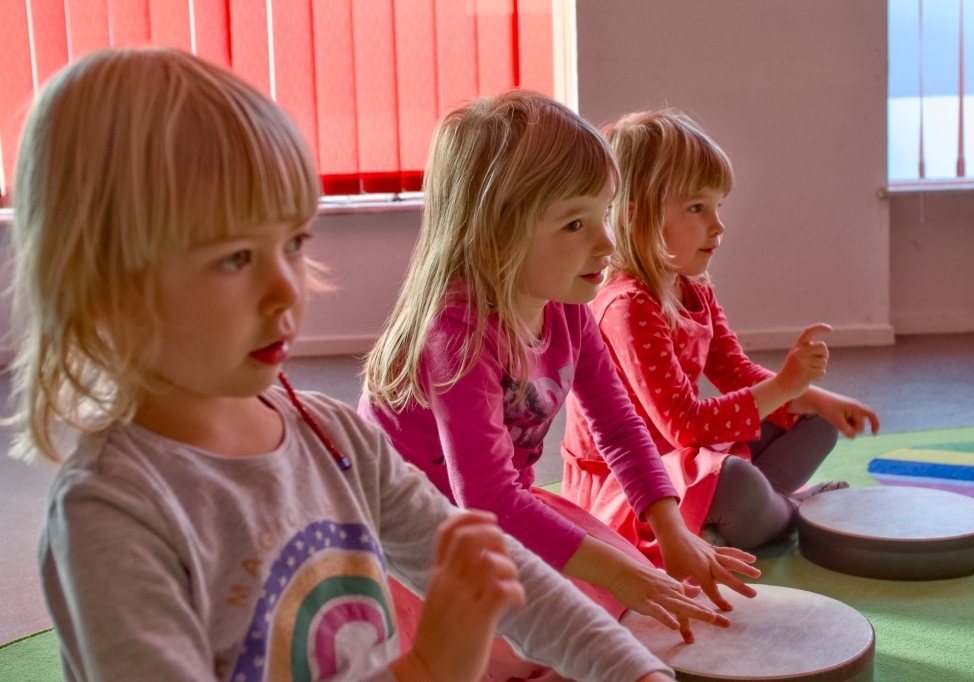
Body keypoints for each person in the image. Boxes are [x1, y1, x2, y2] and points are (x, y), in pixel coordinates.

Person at [9, 48, 680, 682]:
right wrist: (424, 670)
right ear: (105, 289)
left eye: (295, 242)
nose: (287, 290)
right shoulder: (112, 515)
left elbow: (503, 574)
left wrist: (633, 668)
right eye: (236, 257)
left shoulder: (336, 438)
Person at [359, 92, 760, 646]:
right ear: (496, 233)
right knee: (563, 634)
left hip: (500, 513)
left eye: (603, 216)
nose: (606, 243)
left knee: (623, 596)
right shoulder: (457, 336)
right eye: (575, 224)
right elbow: (488, 500)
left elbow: (620, 427)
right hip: (417, 541)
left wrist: (671, 533)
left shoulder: (569, 310)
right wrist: (620, 570)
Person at [561, 109, 880, 554]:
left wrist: (819, 400)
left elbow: (736, 372)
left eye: (717, 206)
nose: (719, 225)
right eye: (696, 208)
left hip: (688, 462)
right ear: (636, 217)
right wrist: (787, 384)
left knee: (812, 425)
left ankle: (759, 511)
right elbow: (685, 427)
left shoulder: (692, 288)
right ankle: (788, 513)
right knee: (733, 480)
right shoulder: (627, 306)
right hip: (636, 484)